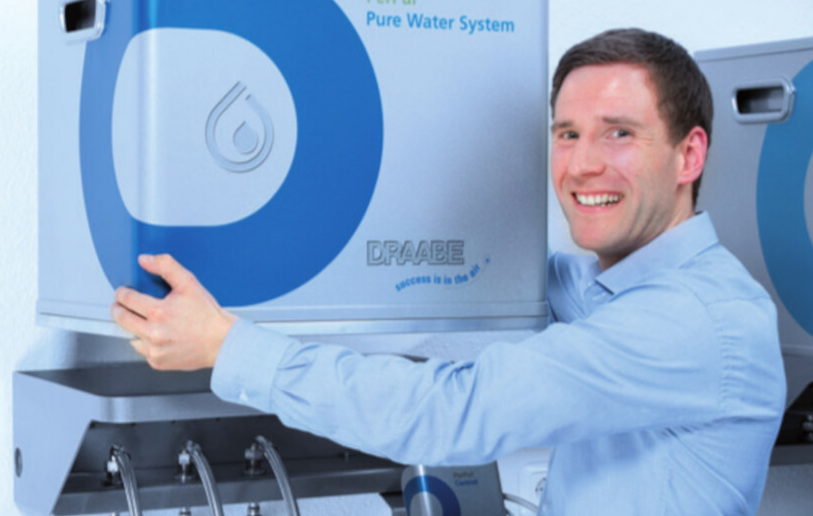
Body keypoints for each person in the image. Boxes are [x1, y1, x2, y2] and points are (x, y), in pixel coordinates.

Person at [110, 29, 786, 515]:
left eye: (620, 133)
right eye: (568, 134)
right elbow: (458, 308)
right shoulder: (599, 292)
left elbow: (453, 412)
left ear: (689, 155)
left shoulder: (694, 320)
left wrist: (227, 347)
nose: (583, 165)